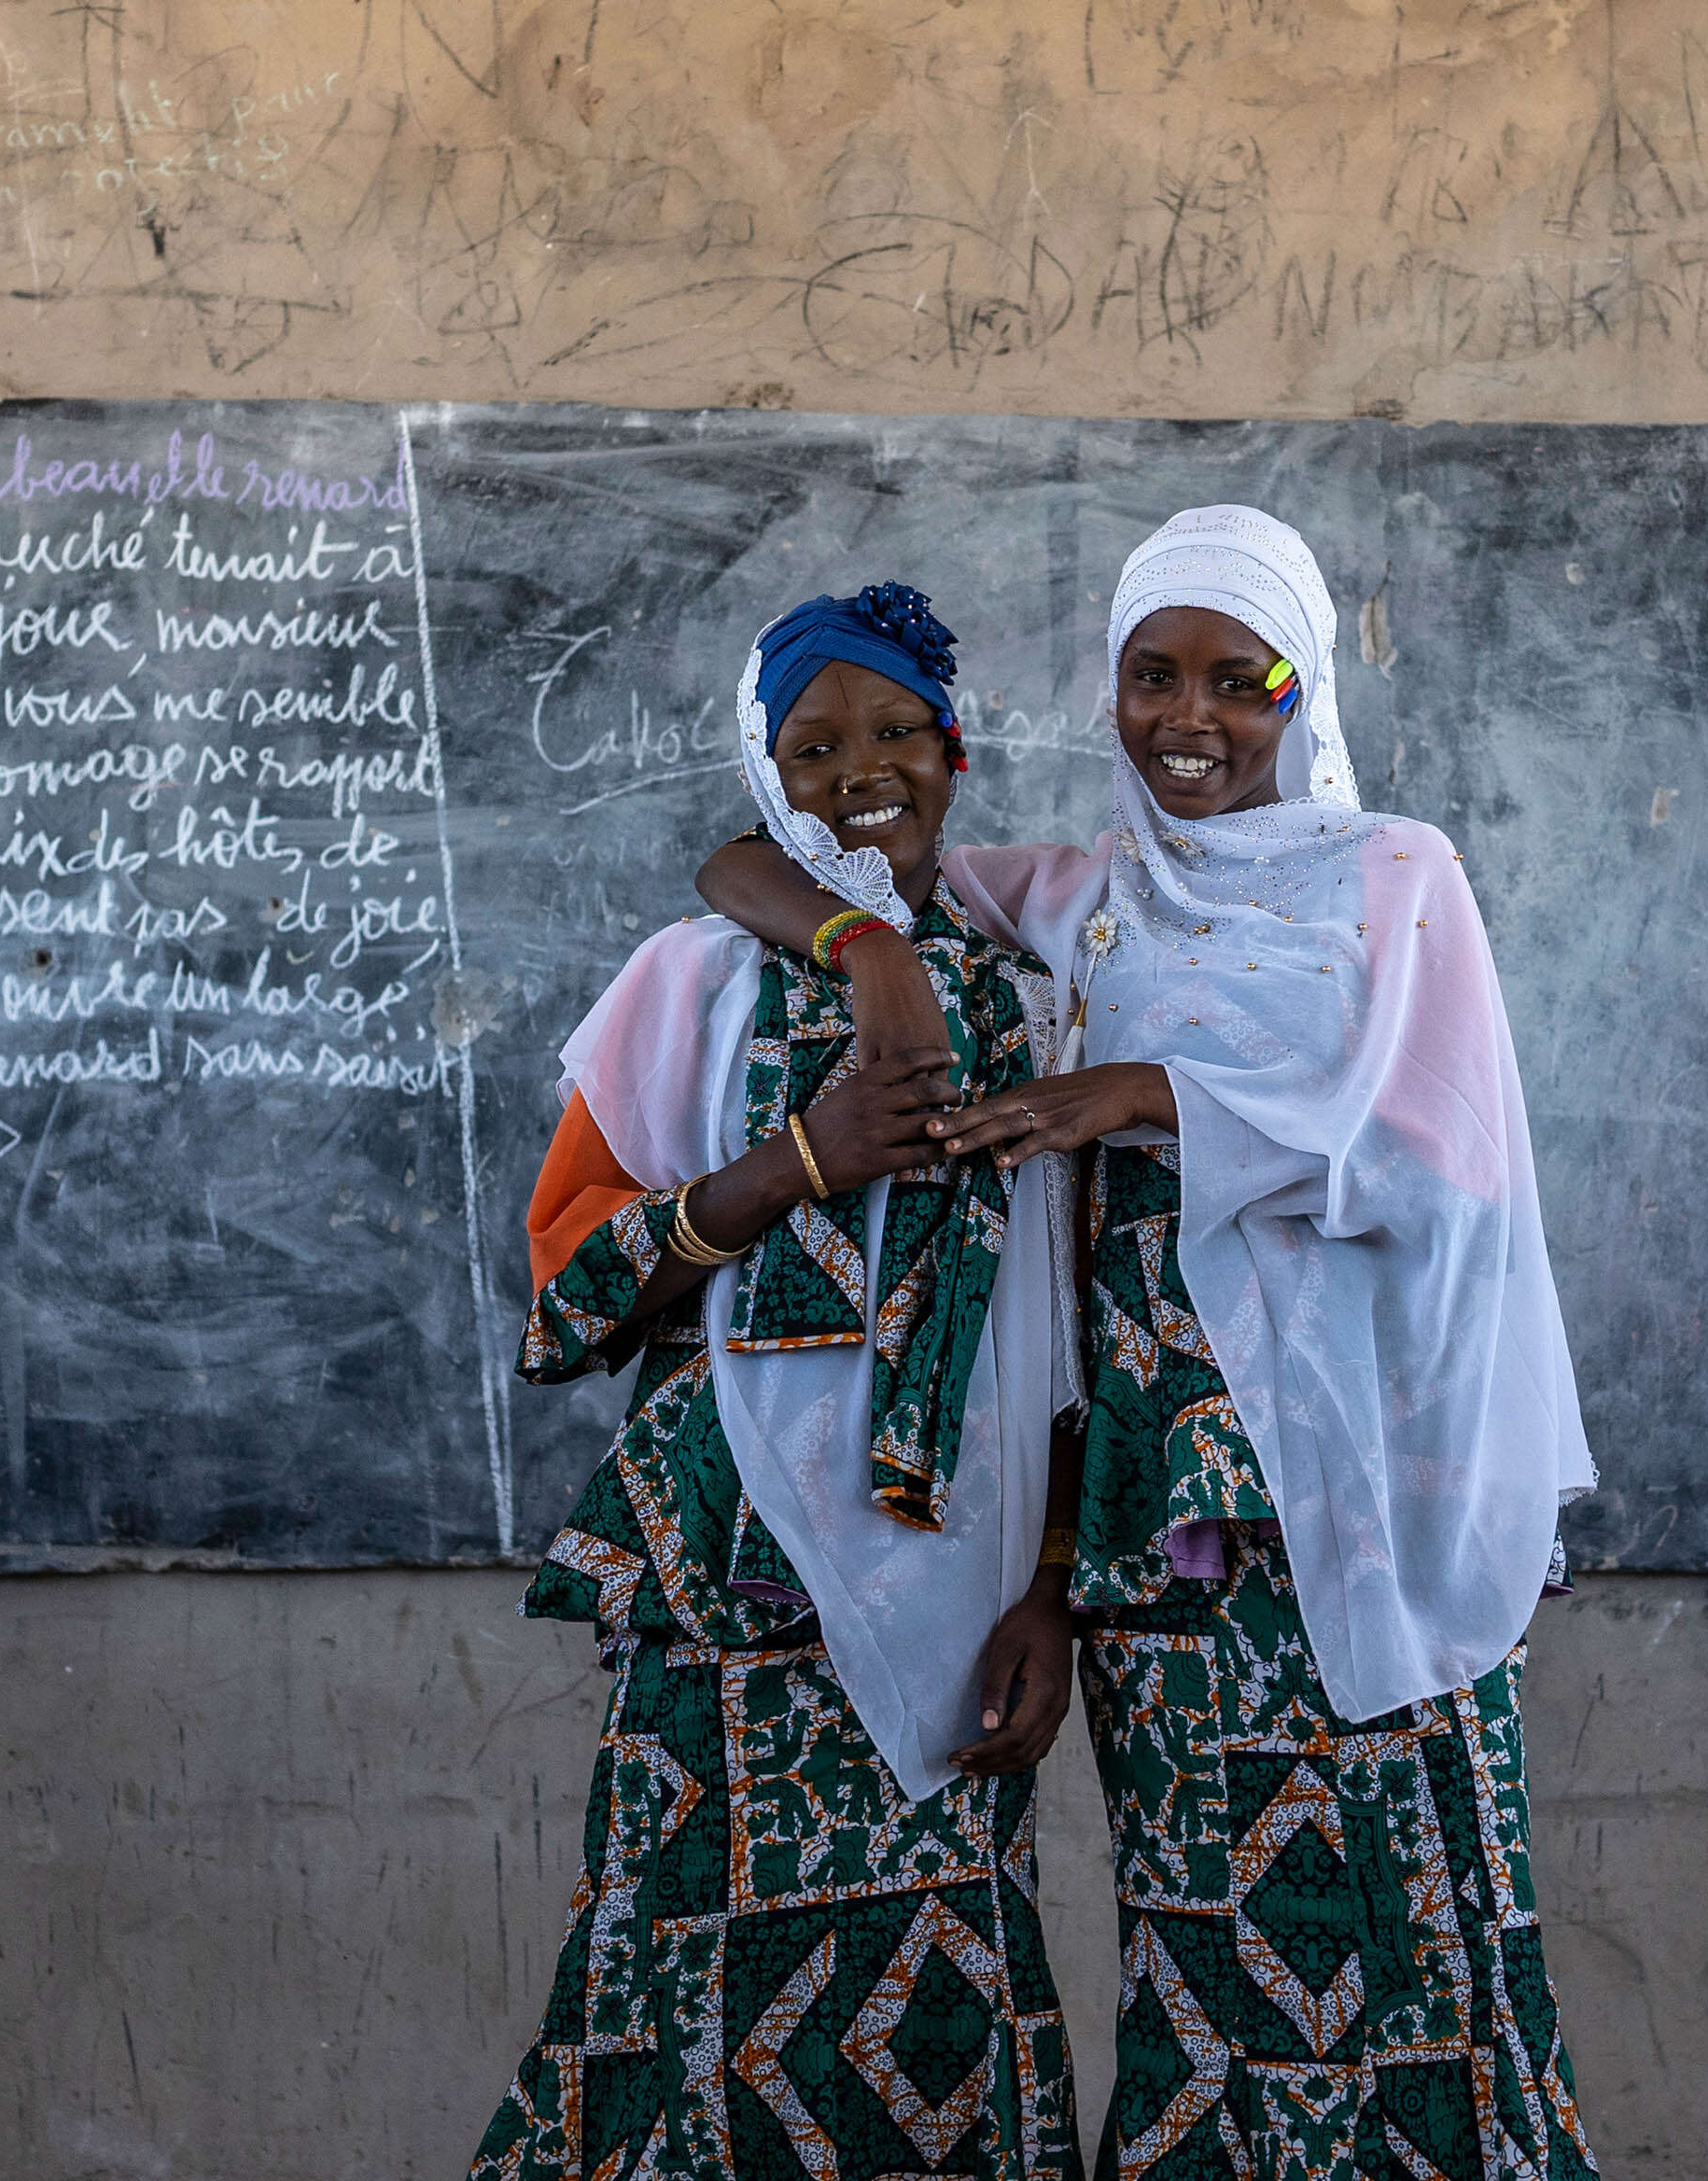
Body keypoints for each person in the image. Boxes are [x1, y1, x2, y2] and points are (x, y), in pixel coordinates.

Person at [695, 510, 1598, 2179]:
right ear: (1108, 693)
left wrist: (1141, 1095)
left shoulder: (1396, 877)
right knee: (1208, 1972)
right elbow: (765, 853)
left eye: (1236, 681)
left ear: (1298, 689)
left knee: (1418, 1961)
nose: (1191, 718)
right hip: (1160, 1547)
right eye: (1149, 677)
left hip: (1352, 1516)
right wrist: (875, 951)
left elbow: (1437, 1155)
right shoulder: (1086, 902)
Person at [476, 585, 1093, 2181]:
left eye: (895, 732)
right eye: (811, 745)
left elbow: (1085, 1323)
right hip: (726, 1590)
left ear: (952, 755)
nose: (859, 771)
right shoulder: (691, 983)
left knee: (930, 2037)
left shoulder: (1044, 992)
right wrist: (793, 1164)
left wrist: (1049, 1592)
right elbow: (565, 1301)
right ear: (767, 776)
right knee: (676, 2018)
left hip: (954, 1607)